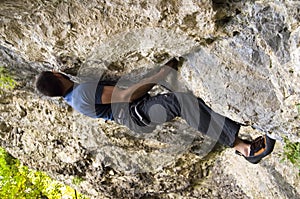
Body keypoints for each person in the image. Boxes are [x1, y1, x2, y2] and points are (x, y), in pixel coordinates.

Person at [35, 58, 276, 164]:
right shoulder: (81, 93)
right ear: (58, 75)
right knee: (180, 103)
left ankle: (241, 140)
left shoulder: (73, 98)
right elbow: (126, 96)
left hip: (133, 116)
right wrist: (160, 75)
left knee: (190, 102)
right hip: (136, 112)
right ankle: (243, 148)